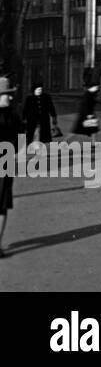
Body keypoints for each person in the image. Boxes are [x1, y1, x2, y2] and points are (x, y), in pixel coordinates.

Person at [0, 77, 20, 258]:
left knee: (3, 204)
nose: (10, 98)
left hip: (6, 164)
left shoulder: (13, 115)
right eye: (7, 95)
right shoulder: (11, 116)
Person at [71, 72, 101, 138]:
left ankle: (93, 144)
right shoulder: (88, 95)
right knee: (76, 132)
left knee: (93, 129)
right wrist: (89, 115)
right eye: (96, 87)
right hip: (84, 116)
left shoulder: (91, 94)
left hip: (88, 115)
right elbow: (86, 106)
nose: (97, 89)